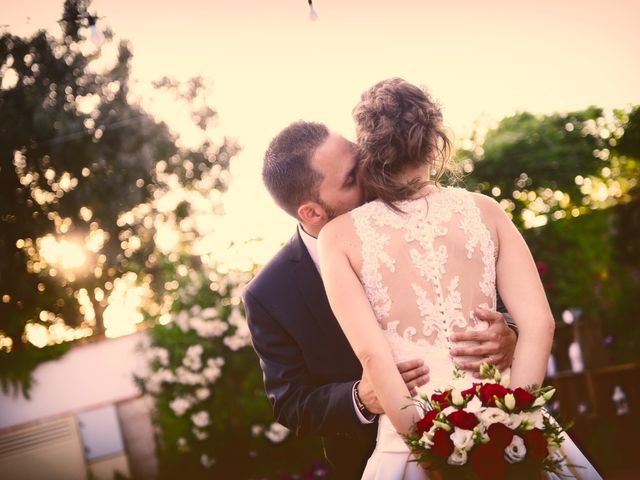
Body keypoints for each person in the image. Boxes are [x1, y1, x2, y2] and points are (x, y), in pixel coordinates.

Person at [317, 77, 602, 479]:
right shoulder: (486, 211)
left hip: (412, 445)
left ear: (369, 152)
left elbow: (373, 356)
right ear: (436, 141)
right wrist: (512, 425)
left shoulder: (338, 237)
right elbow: (541, 323)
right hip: (506, 421)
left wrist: (424, 444)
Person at [243, 120, 519, 478]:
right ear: (312, 212)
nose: (371, 176)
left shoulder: (427, 213)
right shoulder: (269, 294)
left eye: (364, 160)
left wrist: (508, 333)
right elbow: (291, 403)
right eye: (351, 178)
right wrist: (360, 398)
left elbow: (487, 294)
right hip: (379, 458)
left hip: (487, 429)